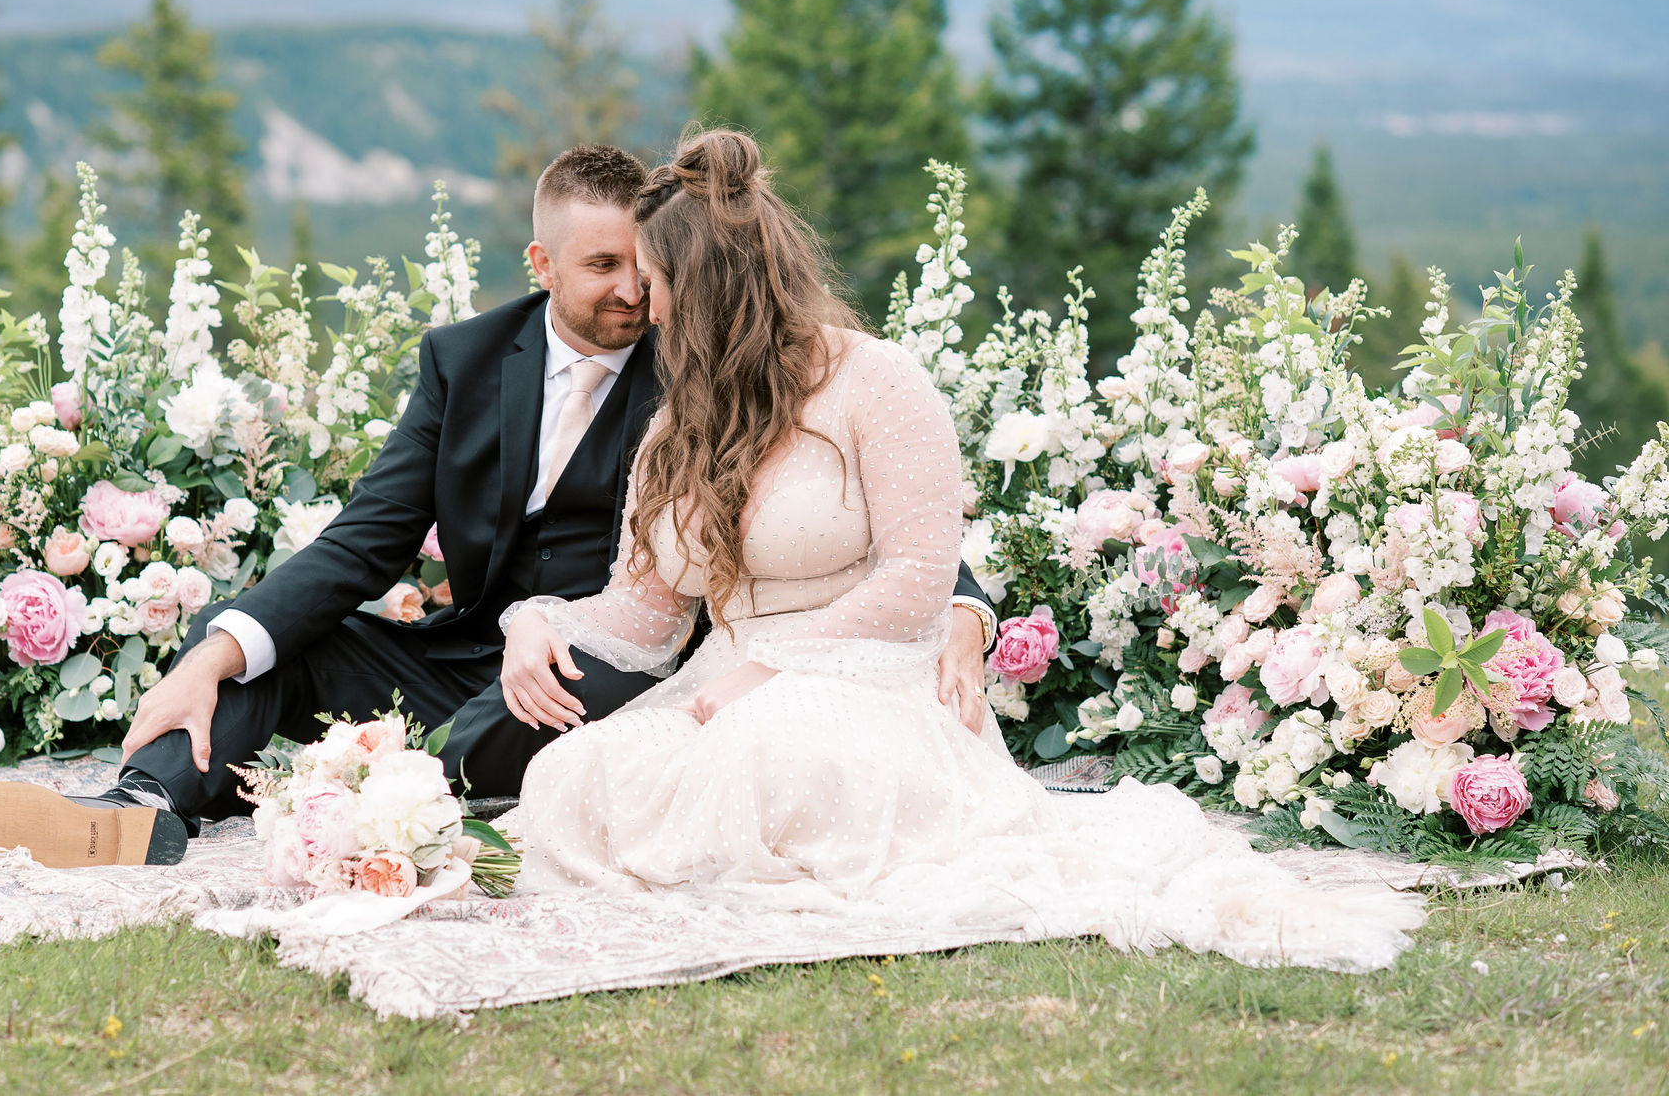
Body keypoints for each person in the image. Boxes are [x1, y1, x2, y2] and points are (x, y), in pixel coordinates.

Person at [499, 129, 1426, 972]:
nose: (645, 308)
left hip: (866, 679)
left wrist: (770, 669)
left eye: (657, 287)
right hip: (721, 689)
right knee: (567, 782)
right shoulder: (676, 432)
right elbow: (648, 614)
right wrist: (532, 619)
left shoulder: (876, 383)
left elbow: (914, 580)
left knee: (770, 755)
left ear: (705, 289)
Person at [0, 143, 1001, 868]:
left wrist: (960, 603)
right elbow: (366, 537)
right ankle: (141, 806)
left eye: (649, 269)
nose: (635, 293)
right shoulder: (463, 358)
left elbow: (842, 505)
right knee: (295, 654)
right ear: (539, 265)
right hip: (484, 641)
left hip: (617, 662)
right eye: (603, 268)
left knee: (507, 726)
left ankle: (373, 802)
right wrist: (215, 646)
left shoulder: (706, 364)